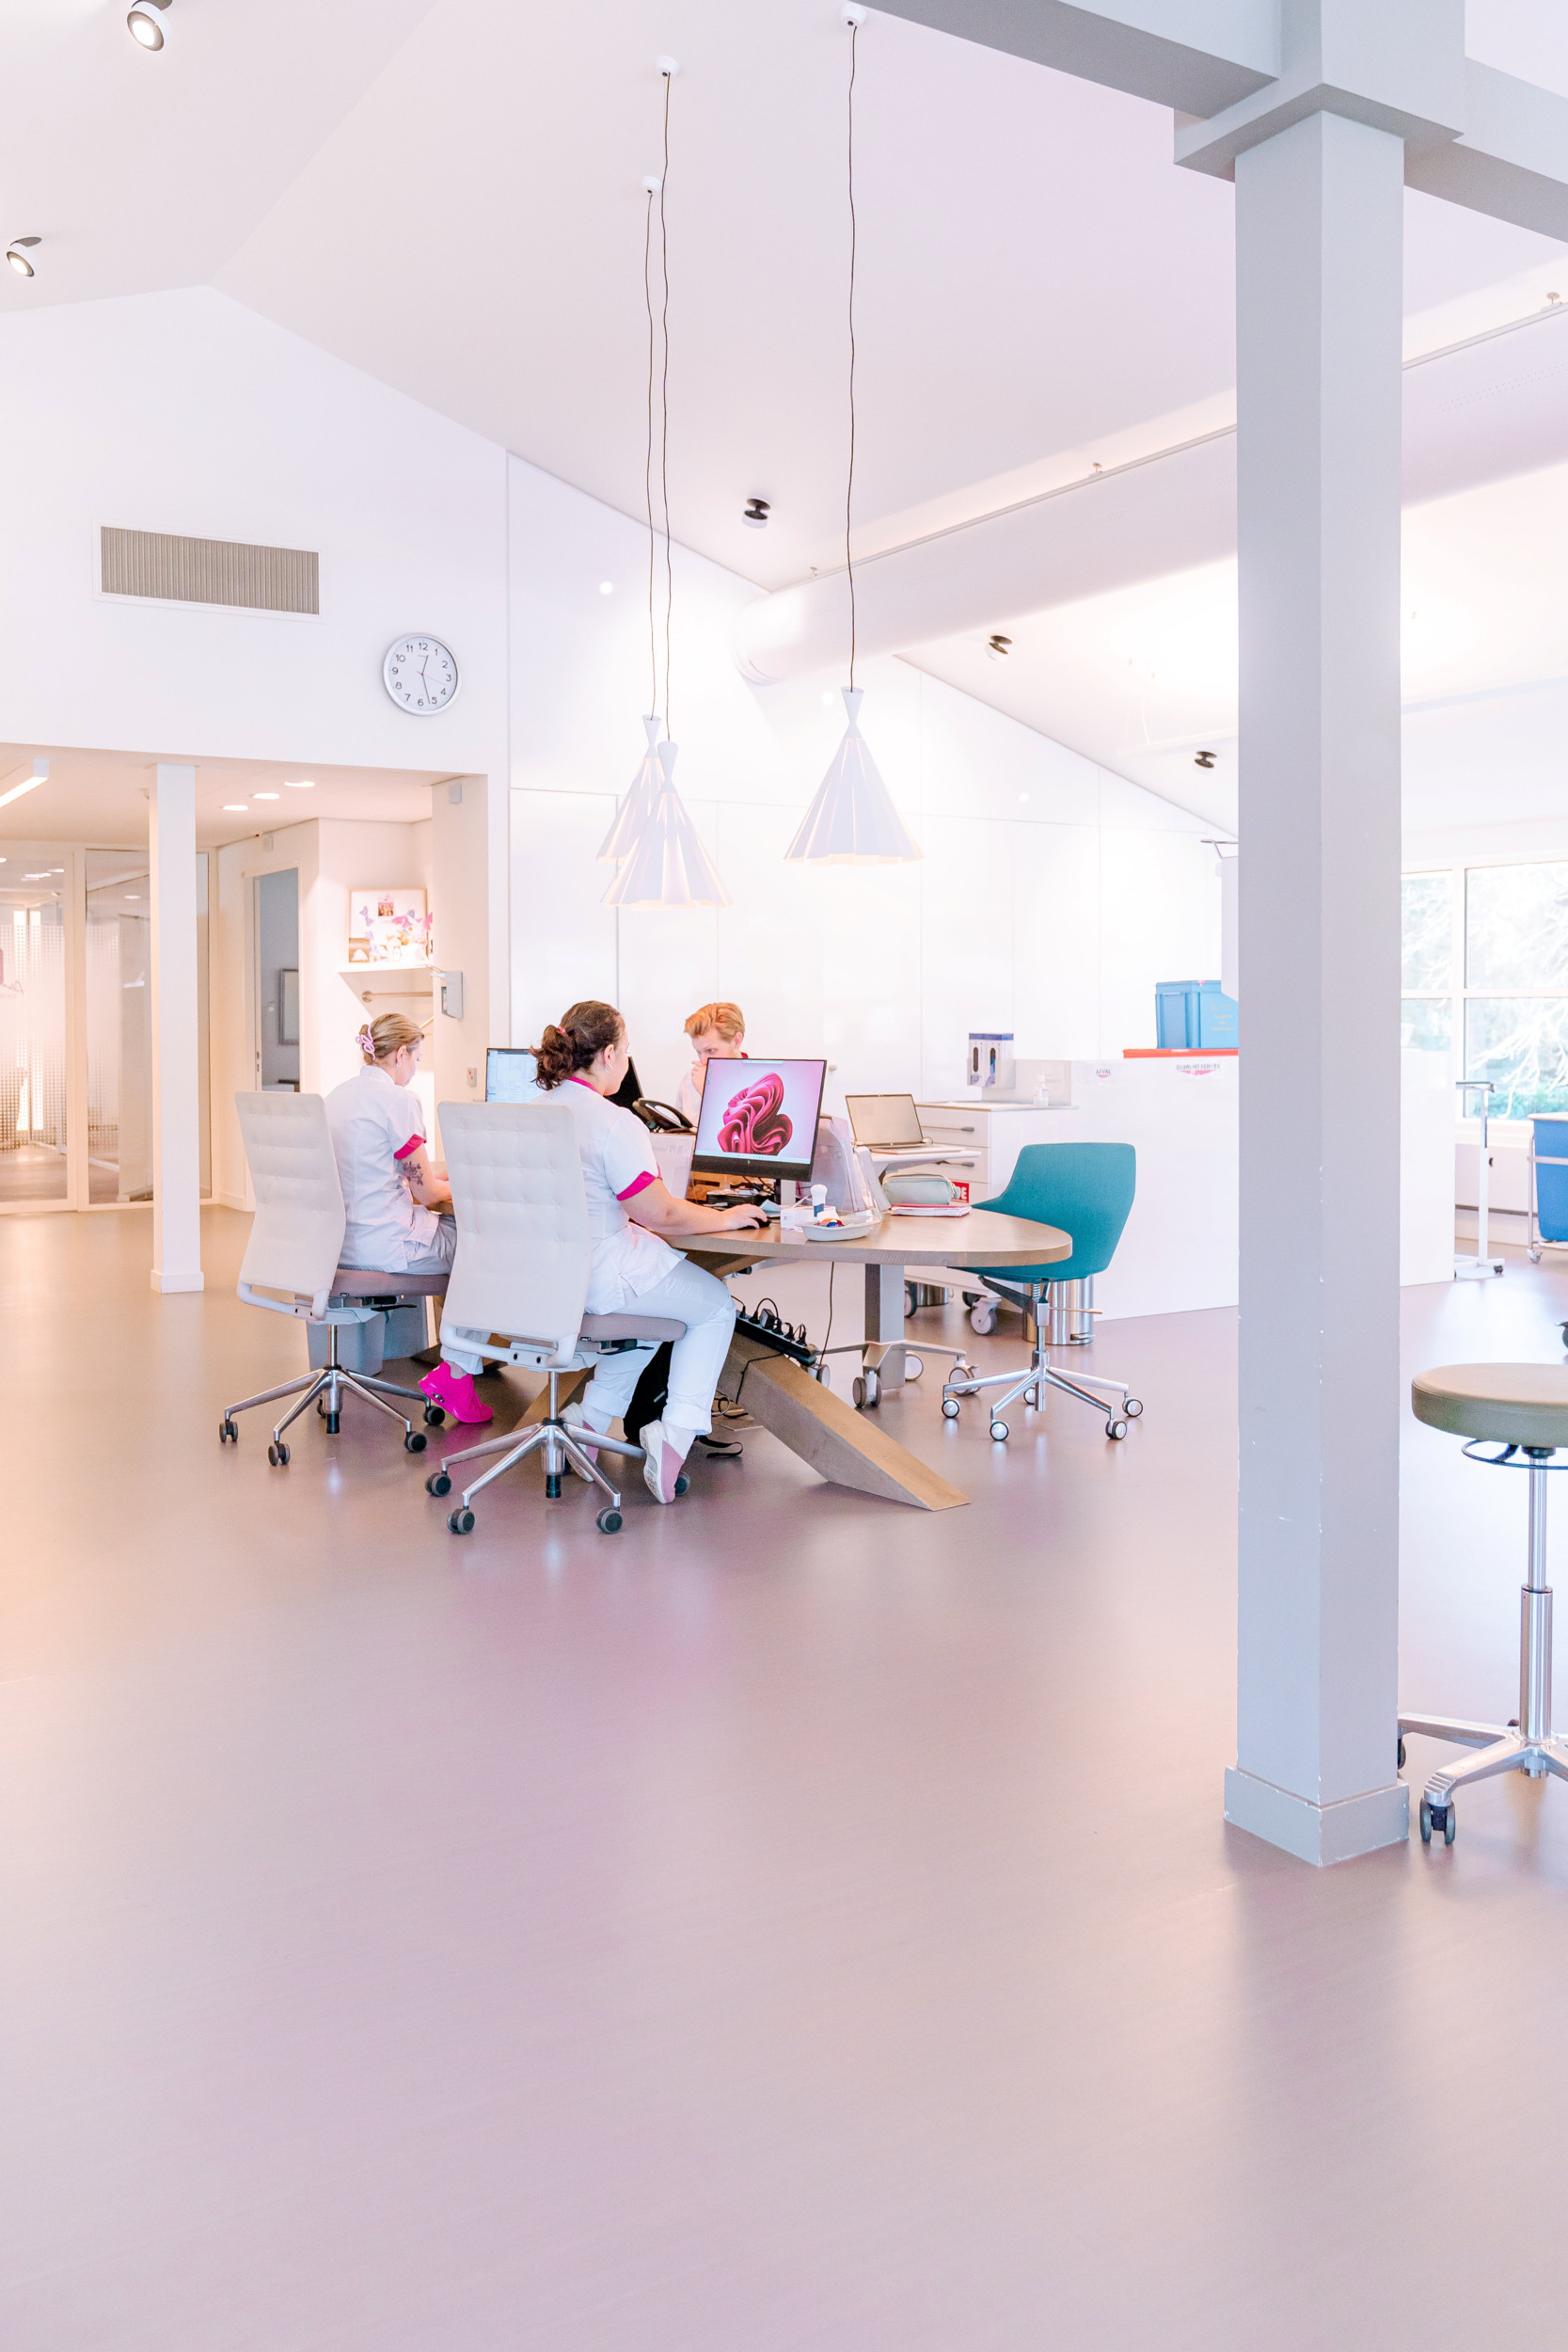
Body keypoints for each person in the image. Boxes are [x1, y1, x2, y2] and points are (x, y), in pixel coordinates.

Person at [532, 1000, 766, 1503]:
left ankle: (590, 1426)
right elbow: (660, 1214)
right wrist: (726, 1217)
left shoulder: (529, 1114)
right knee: (714, 1307)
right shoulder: (613, 1122)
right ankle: (676, 1434)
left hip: (543, 1281)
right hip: (601, 1278)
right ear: (610, 1053)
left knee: (648, 1317)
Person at [324, 1012, 492, 1427]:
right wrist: (478, 1183)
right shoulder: (399, 1101)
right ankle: (457, 1373)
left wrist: (445, 1177)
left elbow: (389, 1172)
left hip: (339, 1244)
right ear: (401, 1054)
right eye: (416, 1059)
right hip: (388, 1245)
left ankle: (458, 1364)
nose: (415, 1069)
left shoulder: (337, 1097)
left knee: (464, 1242)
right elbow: (427, 1194)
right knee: (489, 1250)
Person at [677, 999, 747, 1127]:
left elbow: (742, 1135)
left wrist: (708, 1092)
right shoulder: (690, 1079)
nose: (703, 1060)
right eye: (698, 1052)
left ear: (736, 1041)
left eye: (711, 1051)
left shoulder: (757, 1081)